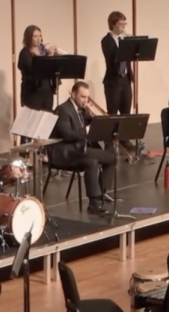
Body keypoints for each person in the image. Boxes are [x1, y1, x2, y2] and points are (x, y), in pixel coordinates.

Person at [51, 81, 118, 215]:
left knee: (111, 158)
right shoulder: (63, 110)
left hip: (79, 149)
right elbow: (67, 135)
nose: (85, 100)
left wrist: (97, 119)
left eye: (87, 97)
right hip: (65, 152)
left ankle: (101, 194)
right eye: (82, 97)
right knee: (91, 161)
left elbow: (94, 125)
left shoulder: (82, 110)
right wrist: (87, 130)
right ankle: (94, 204)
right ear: (73, 94)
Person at [17, 24, 60, 112]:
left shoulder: (44, 50)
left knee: (47, 117)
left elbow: (52, 68)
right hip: (33, 92)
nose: (38, 39)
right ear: (29, 38)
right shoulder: (25, 53)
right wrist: (49, 56)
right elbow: (35, 70)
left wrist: (55, 56)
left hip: (47, 90)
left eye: (40, 36)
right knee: (34, 120)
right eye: (35, 36)